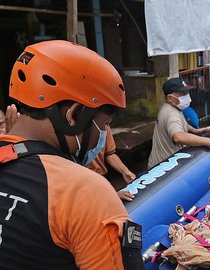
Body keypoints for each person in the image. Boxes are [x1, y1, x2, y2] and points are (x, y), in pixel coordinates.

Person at [0, 40, 144, 268]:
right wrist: (93, 203)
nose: (103, 136)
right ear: (74, 115)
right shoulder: (85, 193)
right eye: (104, 125)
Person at [147, 77, 210, 168]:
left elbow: (180, 123)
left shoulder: (169, 107)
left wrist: (197, 131)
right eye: (183, 94)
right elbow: (178, 137)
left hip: (157, 162)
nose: (187, 96)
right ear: (170, 98)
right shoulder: (172, 115)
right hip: (163, 169)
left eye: (187, 92)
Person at [85, 125, 136, 201]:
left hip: (101, 179)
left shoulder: (104, 124)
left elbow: (109, 153)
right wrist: (107, 195)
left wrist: (124, 171)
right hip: (84, 185)